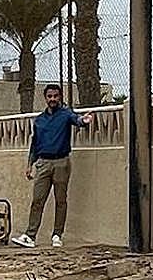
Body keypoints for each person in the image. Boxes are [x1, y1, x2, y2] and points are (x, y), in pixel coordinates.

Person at [11, 83, 94, 249]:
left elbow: (77, 120)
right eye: (50, 96)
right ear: (45, 98)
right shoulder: (39, 120)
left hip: (61, 162)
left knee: (60, 200)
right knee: (38, 200)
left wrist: (84, 121)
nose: (53, 99)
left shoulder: (66, 114)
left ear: (60, 97)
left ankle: (57, 234)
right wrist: (29, 164)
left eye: (55, 96)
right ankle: (30, 235)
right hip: (43, 162)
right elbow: (35, 144)